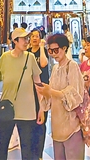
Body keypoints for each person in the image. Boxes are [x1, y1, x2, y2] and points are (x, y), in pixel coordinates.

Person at [0, 27, 44, 160]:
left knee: (28, 151)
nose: (27, 41)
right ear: (15, 41)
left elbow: (38, 83)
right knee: (0, 149)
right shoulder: (5, 58)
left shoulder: (30, 58)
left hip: (27, 111)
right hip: (7, 109)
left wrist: (41, 107)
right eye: (24, 39)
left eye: (27, 38)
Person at [37, 33, 84, 160]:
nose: (53, 54)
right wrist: (45, 94)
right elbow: (51, 95)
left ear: (64, 48)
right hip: (57, 125)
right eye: (50, 51)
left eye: (56, 50)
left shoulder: (72, 66)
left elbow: (75, 94)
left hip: (72, 125)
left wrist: (51, 92)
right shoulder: (55, 68)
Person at [29, 29, 49, 157]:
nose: (34, 38)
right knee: (30, 121)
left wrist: (42, 47)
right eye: (32, 36)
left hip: (42, 89)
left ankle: (39, 152)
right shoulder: (27, 52)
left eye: (37, 36)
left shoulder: (44, 51)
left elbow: (43, 63)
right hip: (29, 91)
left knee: (41, 121)